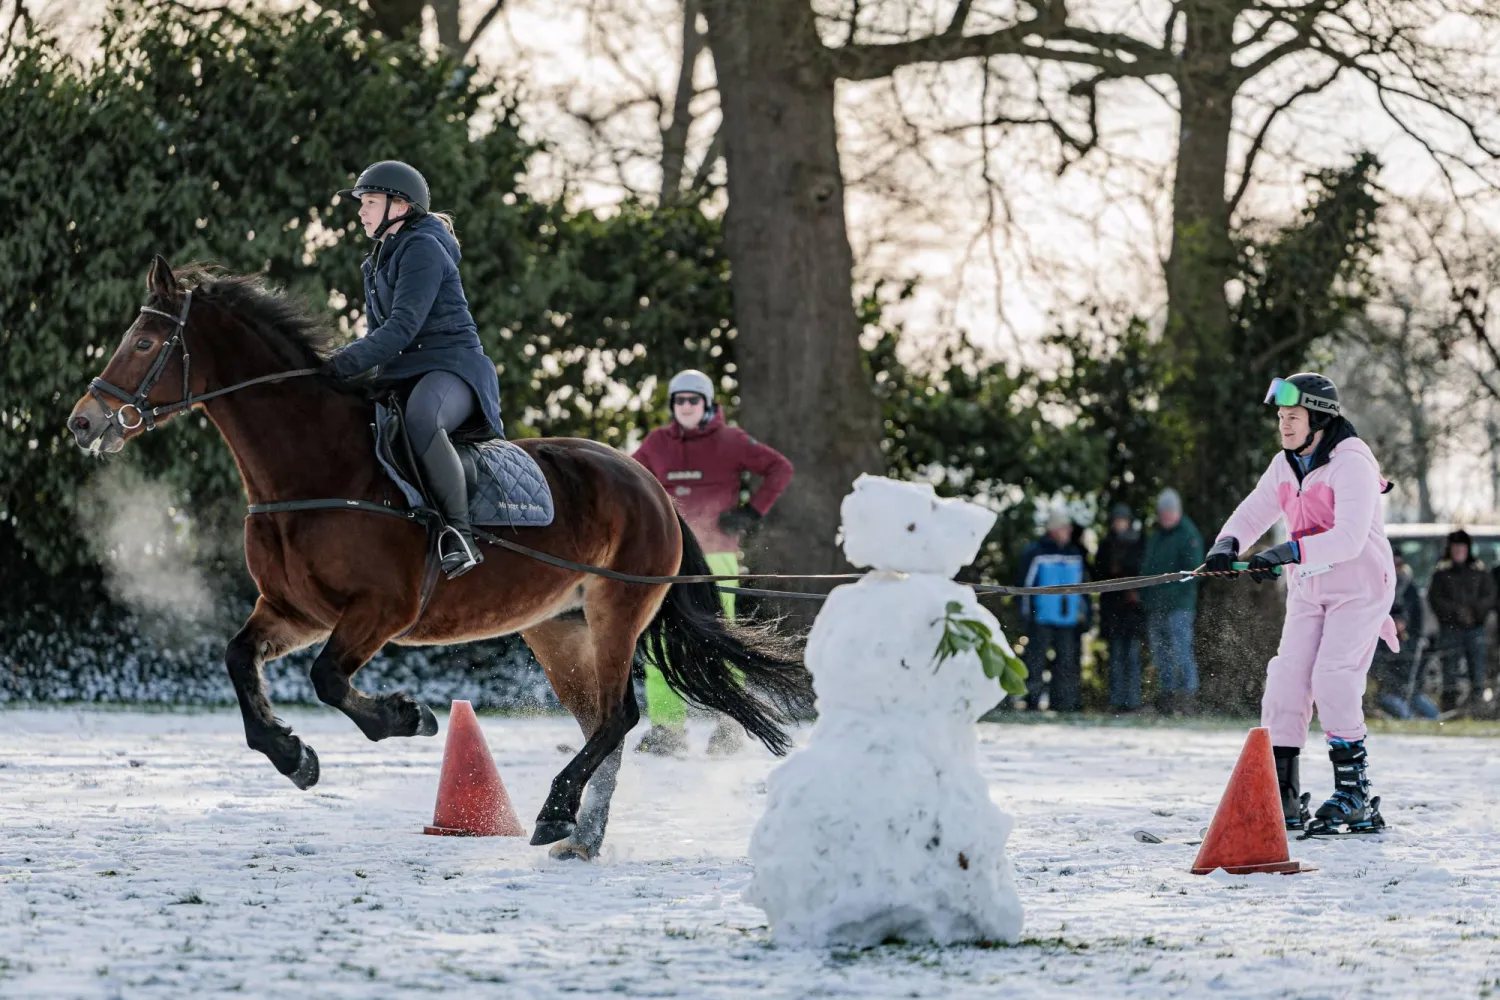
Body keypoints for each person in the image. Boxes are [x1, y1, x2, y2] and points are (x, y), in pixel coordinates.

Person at [1205, 373, 1397, 835]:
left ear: (1320, 418)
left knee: (1332, 677)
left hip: (1361, 586)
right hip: (1310, 588)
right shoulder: (1285, 464)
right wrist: (1226, 545)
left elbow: (1349, 538)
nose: (1284, 425)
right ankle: (1283, 796)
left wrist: (1288, 551)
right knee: (1287, 680)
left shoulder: (1352, 463)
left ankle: (1354, 795)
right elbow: (1255, 510)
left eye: (1293, 417)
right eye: (1280, 417)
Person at [323, 160, 504, 580]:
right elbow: (379, 337)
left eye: (369, 202)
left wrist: (339, 364)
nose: (361, 211)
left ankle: (459, 535)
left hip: (452, 369)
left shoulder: (423, 248)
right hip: (405, 372)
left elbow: (401, 328)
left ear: (399, 206)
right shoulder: (375, 263)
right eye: (362, 203)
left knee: (422, 418)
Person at [631, 370, 794, 755]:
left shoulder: (732, 440)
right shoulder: (657, 442)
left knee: (721, 637)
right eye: (679, 401)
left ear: (707, 404)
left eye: (694, 400)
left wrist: (751, 512)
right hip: (668, 558)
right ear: (672, 406)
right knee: (660, 642)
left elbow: (779, 468)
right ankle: (667, 730)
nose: (686, 407)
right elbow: (628, 476)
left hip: (717, 556)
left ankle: (730, 726)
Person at [1017, 508, 1091, 712]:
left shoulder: (1075, 553)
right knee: (1035, 662)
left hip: (1067, 619)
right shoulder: (1036, 551)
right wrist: (1027, 615)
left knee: (1066, 663)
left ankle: (1063, 703)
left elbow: (1084, 587)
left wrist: (1085, 614)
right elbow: (1025, 586)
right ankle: (1031, 701)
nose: (1068, 530)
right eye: (1064, 527)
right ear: (1054, 529)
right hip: (1041, 618)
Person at [1139, 489, 1203, 715]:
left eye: (1170, 512)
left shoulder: (1189, 535)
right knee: (1161, 653)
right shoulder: (1156, 537)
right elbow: (1147, 570)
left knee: (1181, 651)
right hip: (1156, 606)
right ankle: (1166, 698)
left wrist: (1169, 595)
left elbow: (1192, 574)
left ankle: (1188, 700)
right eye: (1163, 512)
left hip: (1180, 607)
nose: (1166, 516)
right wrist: (1146, 596)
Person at [1427, 528, 1496, 715]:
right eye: (1456, 547)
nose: (1459, 551)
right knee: (1449, 670)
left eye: (1462, 547)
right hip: (1450, 629)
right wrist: (1455, 613)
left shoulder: (1480, 572)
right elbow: (1435, 599)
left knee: (1477, 671)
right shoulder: (1441, 574)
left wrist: (1474, 612)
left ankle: (1477, 710)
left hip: (1475, 628)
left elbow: (1489, 597)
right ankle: (1449, 710)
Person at [1096, 503, 1146, 712]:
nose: (1120, 524)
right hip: (1113, 610)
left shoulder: (1140, 544)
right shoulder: (1106, 545)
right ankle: (1116, 701)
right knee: (1116, 657)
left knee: (1132, 658)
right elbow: (1099, 574)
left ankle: (1133, 701)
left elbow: (1143, 570)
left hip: (1132, 609)